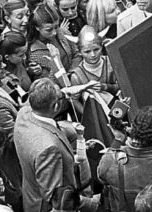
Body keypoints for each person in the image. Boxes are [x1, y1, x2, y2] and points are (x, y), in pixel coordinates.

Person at [13, 79, 92, 212]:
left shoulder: (24, 114)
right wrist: (92, 204)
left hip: (31, 196)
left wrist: (65, 92)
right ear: (56, 107)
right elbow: (57, 199)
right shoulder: (49, 149)